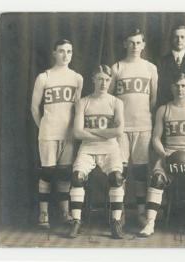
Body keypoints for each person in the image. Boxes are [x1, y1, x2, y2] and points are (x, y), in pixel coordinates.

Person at [138, 72, 185, 238]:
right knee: (157, 179)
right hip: (169, 154)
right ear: (172, 88)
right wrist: (164, 156)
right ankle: (150, 223)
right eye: (177, 86)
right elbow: (156, 138)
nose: (180, 89)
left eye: (183, 85)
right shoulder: (164, 109)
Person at [68, 65, 125, 239]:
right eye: (100, 79)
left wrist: (91, 132)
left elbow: (118, 131)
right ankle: (76, 221)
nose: (104, 83)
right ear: (93, 79)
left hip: (110, 149)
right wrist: (104, 134)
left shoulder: (116, 102)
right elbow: (77, 133)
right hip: (88, 148)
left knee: (116, 178)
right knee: (77, 177)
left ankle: (115, 222)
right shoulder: (83, 102)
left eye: (107, 80)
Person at [31, 39, 83, 228]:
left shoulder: (77, 78)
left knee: (65, 174)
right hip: (48, 133)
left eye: (69, 51)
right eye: (61, 51)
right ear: (54, 53)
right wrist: (44, 127)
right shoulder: (44, 77)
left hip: (68, 135)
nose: (65, 55)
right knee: (47, 172)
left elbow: (78, 109)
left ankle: (64, 212)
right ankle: (43, 213)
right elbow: (34, 108)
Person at [110, 28, 158, 226]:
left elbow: (153, 99)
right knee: (119, 171)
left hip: (143, 126)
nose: (134, 46)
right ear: (124, 44)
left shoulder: (150, 68)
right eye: (131, 42)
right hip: (121, 128)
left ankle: (140, 212)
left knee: (139, 171)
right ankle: (118, 214)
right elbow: (109, 98)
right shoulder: (117, 67)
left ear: (143, 45)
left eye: (138, 43)